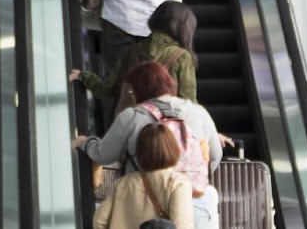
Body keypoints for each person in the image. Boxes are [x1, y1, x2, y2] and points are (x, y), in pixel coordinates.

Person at [75, 62, 223, 229]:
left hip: (145, 208)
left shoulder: (132, 117)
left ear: (137, 89)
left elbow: (103, 155)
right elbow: (215, 156)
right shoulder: (198, 112)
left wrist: (86, 143)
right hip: (197, 204)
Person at [73, 0, 199, 103]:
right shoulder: (182, 57)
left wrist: (83, 76)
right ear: (184, 29)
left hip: (131, 122)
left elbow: (107, 90)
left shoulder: (131, 51)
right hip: (164, 130)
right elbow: (189, 102)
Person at [92, 124, 195, 229]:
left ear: (140, 152)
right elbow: (182, 226)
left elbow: (99, 220)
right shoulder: (177, 184)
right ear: (173, 149)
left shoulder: (123, 183)